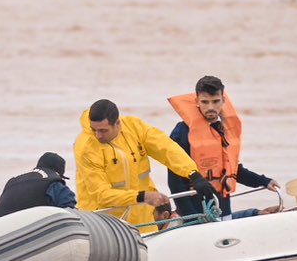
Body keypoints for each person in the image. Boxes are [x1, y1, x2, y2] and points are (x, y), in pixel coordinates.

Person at [74, 98, 219, 232]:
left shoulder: (135, 128)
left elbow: (166, 148)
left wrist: (193, 173)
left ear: (117, 123)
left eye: (103, 130)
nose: (98, 135)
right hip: (103, 222)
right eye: (94, 130)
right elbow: (102, 195)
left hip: (141, 217)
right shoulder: (86, 148)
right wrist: (142, 197)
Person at [166, 75, 278, 217]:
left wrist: (264, 182)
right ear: (197, 101)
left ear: (223, 100)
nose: (210, 107)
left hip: (223, 209)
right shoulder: (181, 133)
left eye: (215, 101)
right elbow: (175, 182)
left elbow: (232, 170)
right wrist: (190, 216)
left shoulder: (222, 130)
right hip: (195, 213)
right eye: (205, 102)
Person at [0, 152, 78, 223]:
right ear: (58, 173)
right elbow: (68, 205)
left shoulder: (13, 181)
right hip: (22, 233)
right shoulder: (52, 181)